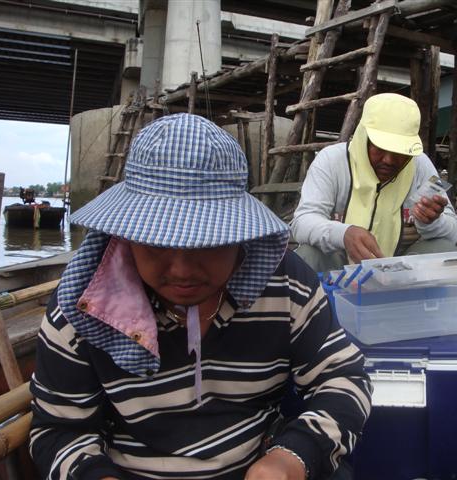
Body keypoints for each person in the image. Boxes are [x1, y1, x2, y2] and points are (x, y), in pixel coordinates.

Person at [29, 114, 372, 480]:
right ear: (124, 235)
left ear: (240, 234)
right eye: (156, 243)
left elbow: (344, 379)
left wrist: (292, 457)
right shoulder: (84, 305)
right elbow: (59, 430)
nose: (181, 270)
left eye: (206, 244)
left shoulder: (287, 284)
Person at [291, 93, 457, 273]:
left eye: (398, 151)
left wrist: (432, 223)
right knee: (307, 256)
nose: (388, 160)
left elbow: (453, 232)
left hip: (401, 273)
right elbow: (302, 221)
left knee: (444, 250)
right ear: (363, 137)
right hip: (338, 269)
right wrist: (343, 233)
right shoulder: (331, 160)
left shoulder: (421, 165)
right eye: (379, 148)